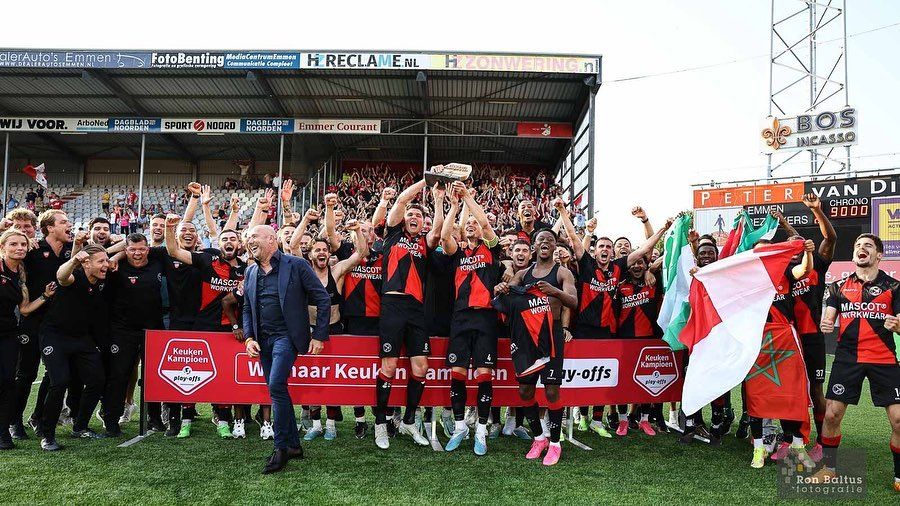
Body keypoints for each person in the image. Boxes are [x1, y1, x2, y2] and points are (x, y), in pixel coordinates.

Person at [242, 225, 331, 474]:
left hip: (287, 338)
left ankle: (280, 447)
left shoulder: (296, 265)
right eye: (248, 238)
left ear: (272, 240)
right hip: (263, 341)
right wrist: (249, 338)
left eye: (255, 237)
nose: (250, 241)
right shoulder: (250, 272)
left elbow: (323, 299)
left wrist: (320, 335)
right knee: (277, 390)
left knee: (276, 386)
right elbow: (247, 308)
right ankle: (293, 445)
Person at [816, 234, 900, 491]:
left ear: (879, 255)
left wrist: (898, 326)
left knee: (899, 420)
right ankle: (829, 468)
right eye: (857, 246)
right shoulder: (837, 287)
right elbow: (829, 317)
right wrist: (826, 323)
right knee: (831, 414)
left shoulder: (895, 287)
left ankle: (899, 475)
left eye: (867, 246)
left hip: (883, 359)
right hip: (847, 358)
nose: (861, 249)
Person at [493, 228, 577, 466]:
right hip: (526, 338)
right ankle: (539, 437)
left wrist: (555, 292)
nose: (545, 243)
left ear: (554, 246)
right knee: (525, 391)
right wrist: (500, 287)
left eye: (550, 240)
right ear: (534, 246)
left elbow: (573, 301)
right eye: (541, 240)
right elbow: (503, 291)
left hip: (551, 336)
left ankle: (555, 443)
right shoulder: (523, 273)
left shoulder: (562, 273)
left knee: (551, 391)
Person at [373, 178, 444, 450]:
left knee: (421, 368)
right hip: (392, 306)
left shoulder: (425, 242)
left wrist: (437, 200)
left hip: (416, 309)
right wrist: (427, 180)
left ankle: (409, 420)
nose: (414, 217)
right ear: (404, 219)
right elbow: (402, 201)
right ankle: (380, 422)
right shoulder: (392, 235)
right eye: (411, 214)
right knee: (388, 368)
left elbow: (437, 230)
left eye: (419, 215)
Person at [441, 181, 504, 455]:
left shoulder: (490, 249)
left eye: (475, 226)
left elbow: (485, 224)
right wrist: (454, 206)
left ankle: (480, 430)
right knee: (456, 375)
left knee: (484, 377)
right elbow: (444, 238)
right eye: (468, 226)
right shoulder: (457, 252)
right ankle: (459, 427)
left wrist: (468, 198)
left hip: (486, 319)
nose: (472, 227)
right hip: (460, 320)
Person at [302, 193, 368, 441]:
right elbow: (292, 245)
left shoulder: (337, 269)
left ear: (329, 254)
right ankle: (316, 424)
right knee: (312, 377)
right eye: (317, 249)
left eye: (324, 250)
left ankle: (330, 424)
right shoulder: (304, 271)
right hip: (309, 330)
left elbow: (360, 253)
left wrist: (358, 232)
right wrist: (308, 221)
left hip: (335, 330)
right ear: (310, 255)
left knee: (332, 377)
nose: (321, 252)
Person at [38, 245, 110, 451]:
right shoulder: (74, 276)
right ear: (86, 263)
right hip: (55, 336)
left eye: (106, 260)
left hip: (81, 338)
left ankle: (80, 426)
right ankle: (47, 434)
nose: (106, 265)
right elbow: (61, 276)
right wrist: (73, 261)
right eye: (101, 262)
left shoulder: (100, 281)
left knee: (97, 380)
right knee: (59, 382)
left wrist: (114, 247)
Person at [10, 210, 72, 440]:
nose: (24, 232)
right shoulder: (30, 251)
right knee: (25, 374)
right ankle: (13, 421)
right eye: (63, 222)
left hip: (59, 322)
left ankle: (38, 416)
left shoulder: (70, 249)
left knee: (55, 374)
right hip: (31, 319)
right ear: (49, 227)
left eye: (28, 227)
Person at [0, 230, 57, 449]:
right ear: (3, 247)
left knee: (8, 382)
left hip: (8, 334)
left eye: (23, 244)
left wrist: (44, 296)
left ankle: (4, 432)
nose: (20, 248)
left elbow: (24, 310)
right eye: (13, 244)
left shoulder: (20, 275)